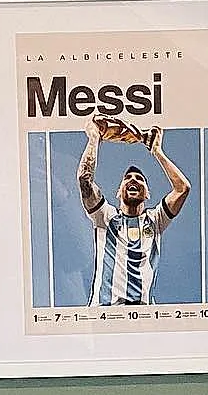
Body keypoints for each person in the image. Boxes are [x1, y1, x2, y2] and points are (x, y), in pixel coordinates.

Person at [76, 117, 190, 305]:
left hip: (144, 317)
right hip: (105, 313)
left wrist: (157, 152)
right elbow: (84, 180)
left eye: (139, 178)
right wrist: (94, 138)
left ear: (147, 194)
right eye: (127, 177)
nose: (133, 180)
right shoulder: (105, 217)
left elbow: (182, 189)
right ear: (119, 192)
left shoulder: (155, 220)